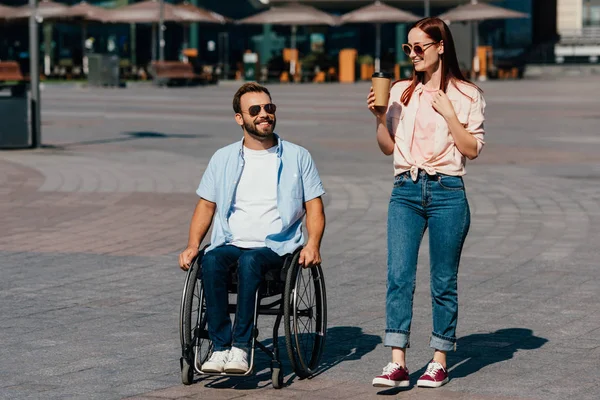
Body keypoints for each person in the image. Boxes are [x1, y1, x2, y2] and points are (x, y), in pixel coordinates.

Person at [366, 17, 486, 389]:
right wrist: (378, 119)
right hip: (405, 190)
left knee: (442, 280)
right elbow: (389, 148)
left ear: (441, 47)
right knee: (398, 276)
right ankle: (397, 361)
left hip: (448, 192)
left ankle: (438, 359)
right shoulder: (401, 91)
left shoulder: (467, 95)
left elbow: (472, 150)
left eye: (420, 47)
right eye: (408, 48)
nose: (413, 54)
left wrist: (449, 113)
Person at [178, 82, 326, 374]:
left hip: (276, 248)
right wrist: (193, 244)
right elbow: (206, 206)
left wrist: (313, 244)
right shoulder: (223, 158)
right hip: (231, 242)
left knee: (251, 259)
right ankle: (221, 347)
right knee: (211, 259)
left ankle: (241, 346)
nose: (264, 114)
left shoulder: (298, 156)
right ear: (240, 118)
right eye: (255, 110)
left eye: (269, 108)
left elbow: (315, 208)